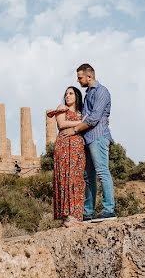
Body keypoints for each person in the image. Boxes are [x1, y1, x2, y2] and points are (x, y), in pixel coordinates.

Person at [58, 63, 115, 222]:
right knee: (88, 177)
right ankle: (88, 212)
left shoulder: (102, 92)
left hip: (98, 137)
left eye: (80, 77)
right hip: (87, 139)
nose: (78, 80)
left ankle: (109, 209)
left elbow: (93, 118)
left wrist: (75, 130)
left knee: (102, 172)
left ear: (89, 76)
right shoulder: (88, 93)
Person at [47, 86, 86, 227]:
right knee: (65, 178)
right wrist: (81, 122)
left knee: (77, 179)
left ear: (77, 95)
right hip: (64, 146)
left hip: (77, 148)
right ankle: (67, 216)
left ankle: (76, 215)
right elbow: (62, 123)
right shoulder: (62, 107)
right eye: (66, 94)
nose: (67, 96)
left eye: (71, 93)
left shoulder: (82, 112)